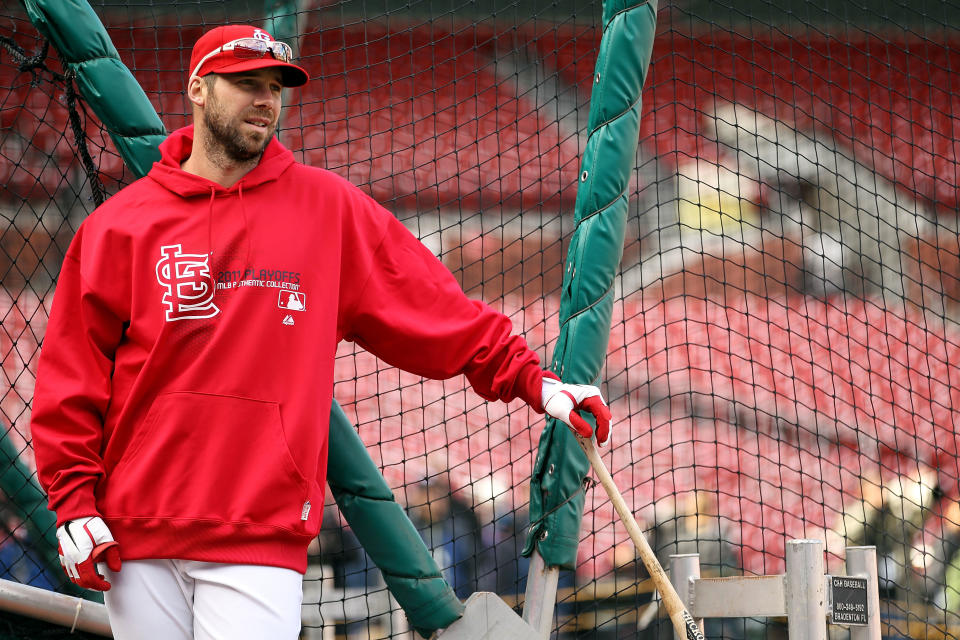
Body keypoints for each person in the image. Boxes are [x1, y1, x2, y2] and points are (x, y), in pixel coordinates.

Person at [29, 24, 612, 640]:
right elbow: (73, 375)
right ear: (198, 88)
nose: (265, 101)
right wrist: (74, 504)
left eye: (274, 87)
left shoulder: (326, 209)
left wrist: (534, 380)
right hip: (134, 530)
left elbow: (433, 309)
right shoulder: (119, 225)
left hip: (259, 531)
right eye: (246, 84)